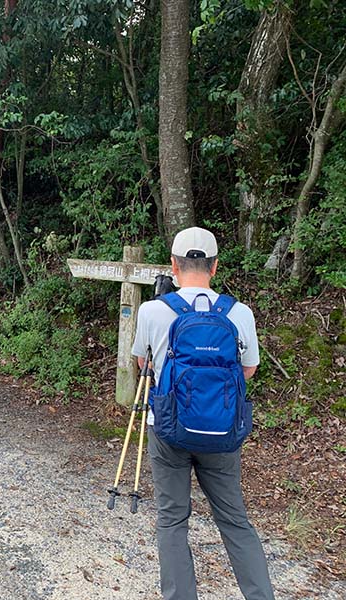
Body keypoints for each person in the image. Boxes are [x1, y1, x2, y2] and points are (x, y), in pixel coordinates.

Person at [132, 227, 274, 600]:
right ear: (214, 267)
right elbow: (248, 369)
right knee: (234, 521)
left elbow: (142, 362)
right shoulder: (239, 312)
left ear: (174, 267)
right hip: (222, 434)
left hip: (167, 429)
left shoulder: (152, 310)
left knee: (172, 520)